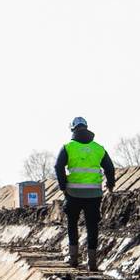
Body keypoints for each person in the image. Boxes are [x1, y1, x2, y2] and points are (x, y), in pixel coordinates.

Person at [52, 116, 114, 271]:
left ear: (73, 129)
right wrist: (110, 185)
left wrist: (62, 186)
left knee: (72, 224)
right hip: (94, 194)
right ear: (86, 127)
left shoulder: (68, 147)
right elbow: (110, 168)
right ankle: (92, 263)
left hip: (73, 193)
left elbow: (58, 166)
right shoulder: (98, 148)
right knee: (92, 226)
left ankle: (73, 260)